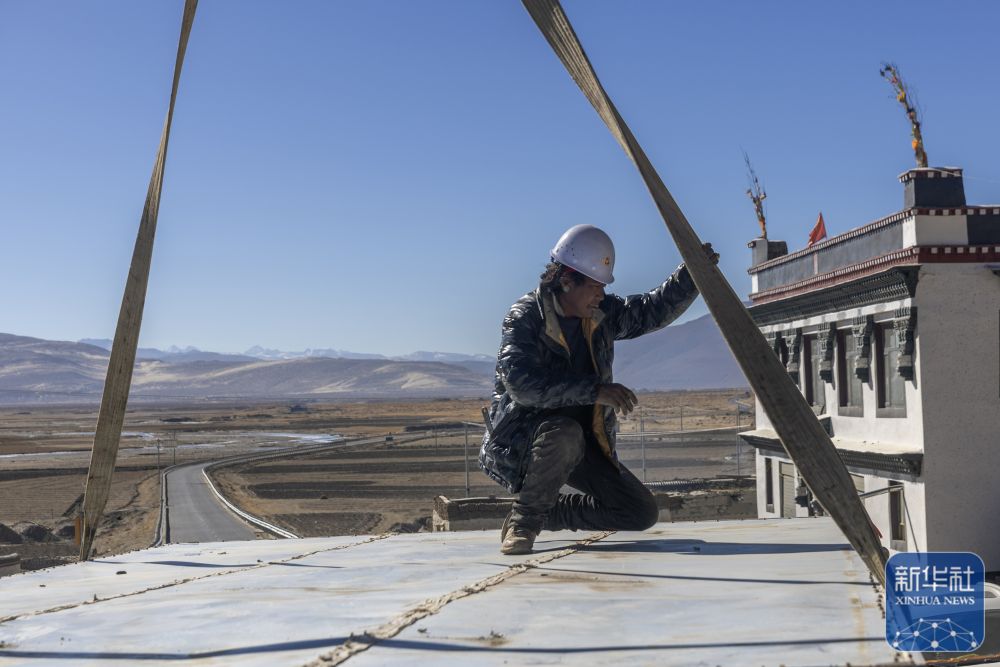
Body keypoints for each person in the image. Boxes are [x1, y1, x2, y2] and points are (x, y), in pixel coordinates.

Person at [478, 224, 718, 555]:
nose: (600, 295)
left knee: (639, 511)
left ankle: (551, 513)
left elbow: (649, 311)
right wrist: (596, 391)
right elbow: (522, 386)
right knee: (564, 433)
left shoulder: (600, 314)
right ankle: (524, 522)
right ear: (566, 281)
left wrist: (691, 275)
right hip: (523, 445)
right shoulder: (525, 318)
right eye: (594, 286)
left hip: (580, 444)